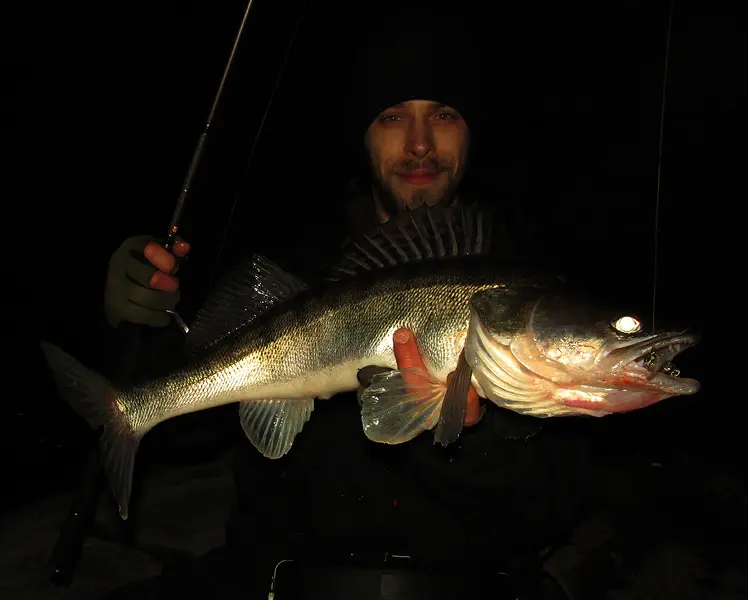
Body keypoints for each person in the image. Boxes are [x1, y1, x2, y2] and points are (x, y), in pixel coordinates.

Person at [101, 21, 601, 600]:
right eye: (392, 116)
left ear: (470, 134)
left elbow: (554, 508)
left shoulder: (526, 287)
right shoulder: (296, 265)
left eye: (443, 114)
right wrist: (139, 324)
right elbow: (195, 431)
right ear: (363, 136)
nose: (419, 144)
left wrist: (472, 439)